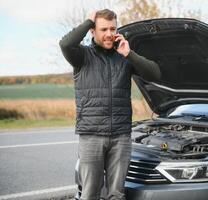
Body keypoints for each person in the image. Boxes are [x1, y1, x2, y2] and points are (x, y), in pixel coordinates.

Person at [59, 9, 161, 200]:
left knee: (116, 194)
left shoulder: (124, 57)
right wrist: (89, 21)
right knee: (90, 194)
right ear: (93, 31)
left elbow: (155, 74)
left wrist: (129, 54)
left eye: (112, 28)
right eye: (103, 29)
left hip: (121, 137)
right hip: (91, 136)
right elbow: (65, 43)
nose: (108, 34)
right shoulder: (81, 56)